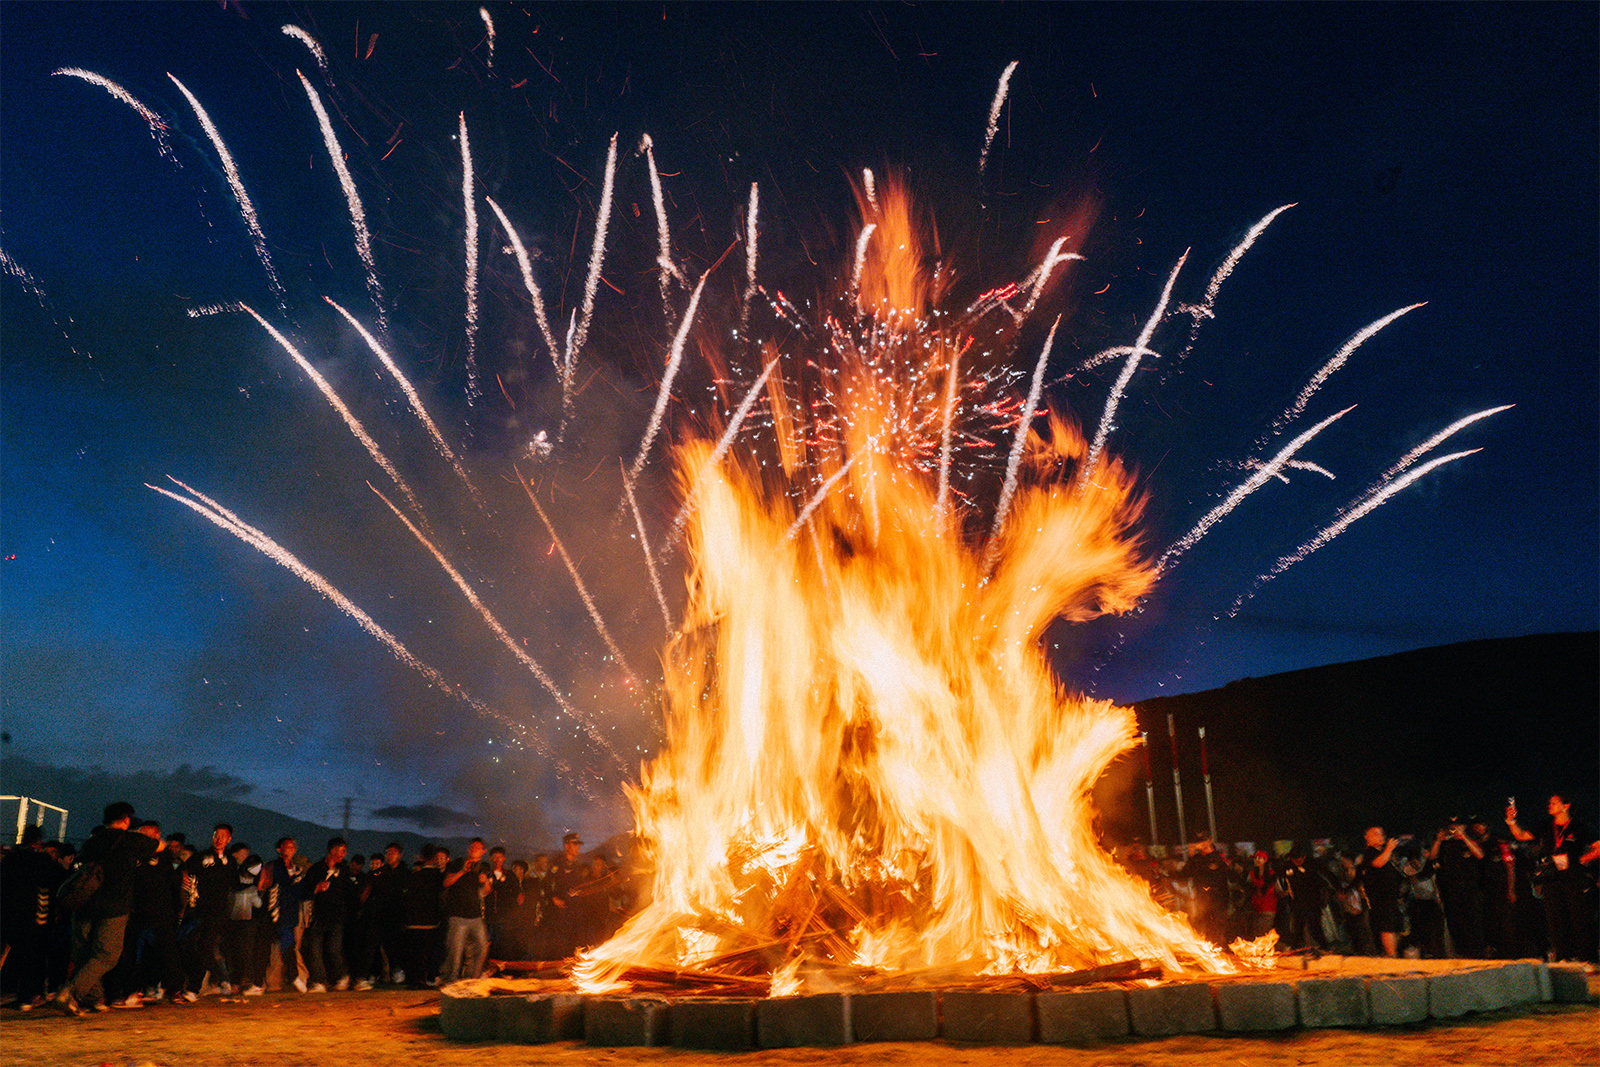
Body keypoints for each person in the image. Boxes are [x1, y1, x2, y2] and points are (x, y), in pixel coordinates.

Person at [53, 802, 160, 1015]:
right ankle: (71, 993)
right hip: (114, 907)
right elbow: (158, 846)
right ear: (126, 819)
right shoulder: (132, 840)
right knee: (107, 956)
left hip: (83, 904)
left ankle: (95, 999)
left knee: (84, 954)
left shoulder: (92, 842)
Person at [1507, 794, 1600, 962]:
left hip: (1573, 879)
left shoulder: (1579, 827)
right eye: (1549, 802)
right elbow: (1521, 835)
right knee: (1556, 920)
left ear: (1566, 805)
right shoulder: (1545, 825)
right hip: (1551, 879)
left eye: (1555, 802)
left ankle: (1587, 958)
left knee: (1579, 919)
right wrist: (1511, 821)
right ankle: (1563, 958)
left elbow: (1598, 847)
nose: (1550, 805)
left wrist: (1580, 860)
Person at [182, 823, 238, 994]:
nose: (218, 839)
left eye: (223, 836)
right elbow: (185, 871)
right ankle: (218, 979)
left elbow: (235, 884)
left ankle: (196, 988)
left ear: (229, 839)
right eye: (216, 835)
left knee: (206, 946)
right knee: (192, 945)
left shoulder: (230, 861)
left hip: (218, 912)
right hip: (198, 910)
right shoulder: (201, 857)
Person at [302, 838, 356, 992]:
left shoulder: (343, 869)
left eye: (344, 851)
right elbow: (306, 889)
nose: (343, 854)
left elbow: (348, 891)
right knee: (315, 950)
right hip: (318, 915)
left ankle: (342, 977)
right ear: (332, 850)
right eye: (341, 850)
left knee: (333, 949)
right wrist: (316, 888)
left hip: (337, 916)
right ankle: (319, 981)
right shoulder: (317, 869)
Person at [1430, 816, 1486, 958]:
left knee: (1473, 919)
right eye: (1452, 827)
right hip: (1450, 887)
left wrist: (1464, 837)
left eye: (1458, 826)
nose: (1454, 829)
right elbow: (1432, 857)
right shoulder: (1445, 843)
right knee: (1455, 920)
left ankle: (1477, 950)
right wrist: (1438, 839)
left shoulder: (1469, 840)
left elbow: (1479, 855)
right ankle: (1460, 951)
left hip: (1469, 886)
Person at [439, 838, 491, 983]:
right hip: (457, 915)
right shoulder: (458, 863)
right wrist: (462, 871)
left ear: (483, 851)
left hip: (475, 916)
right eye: (472, 846)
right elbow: (446, 882)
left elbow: (487, 891)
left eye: (478, 847)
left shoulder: (484, 867)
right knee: (455, 951)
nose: (474, 849)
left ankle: (471, 980)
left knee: (481, 947)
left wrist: (485, 881)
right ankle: (450, 980)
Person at [1354, 827, 1403, 958]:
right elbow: (1378, 863)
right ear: (1367, 838)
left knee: (1396, 926)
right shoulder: (1370, 853)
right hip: (1380, 897)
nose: (1380, 836)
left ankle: (1390, 952)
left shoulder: (1382, 852)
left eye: (1381, 834)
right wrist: (1389, 848)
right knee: (1387, 926)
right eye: (1375, 834)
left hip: (1391, 896)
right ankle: (1391, 954)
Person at [1178, 835, 1230, 945]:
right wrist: (1191, 857)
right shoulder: (1196, 859)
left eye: (1204, 843)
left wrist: (1211, 852)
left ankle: (1221, 946)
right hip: (1202, 898)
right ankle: (1209, 946)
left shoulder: (1218, 856)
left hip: (1218, 898)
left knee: (1218, 924)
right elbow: (1184, 875)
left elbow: (1223, 871)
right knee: (1204, 924)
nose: (1202, 846)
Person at [1244, 850, 1278, 939]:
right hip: (1255, 908)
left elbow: (1278, 890)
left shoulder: (1272, 874)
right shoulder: (1251, 873)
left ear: (1265, 860)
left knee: (1263, 936)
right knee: (1255, 935)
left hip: (1268, 908)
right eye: (1255, 858)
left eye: (1259, 858)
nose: (1256, 860)